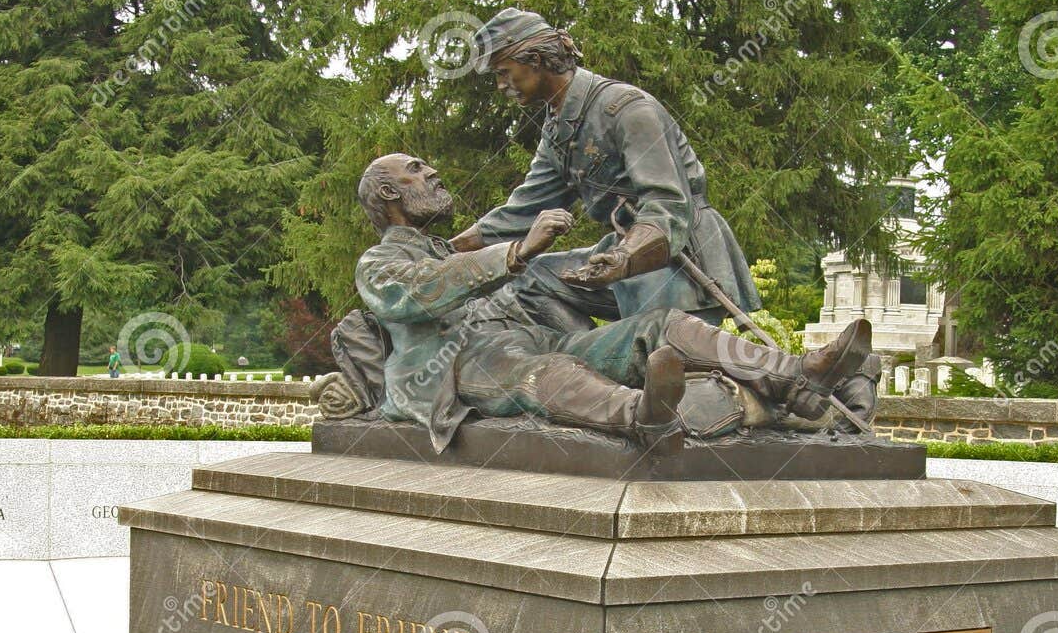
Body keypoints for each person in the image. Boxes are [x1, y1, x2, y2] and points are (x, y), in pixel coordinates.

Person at [351, 153, 870, 455]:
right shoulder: (378, 264)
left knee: (658, 326)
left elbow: (526, 281)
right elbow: (418, 291)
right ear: (387, 194)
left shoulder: (449, 252)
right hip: (452, 369)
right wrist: (514, 251)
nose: (434, 173)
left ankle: (795, 374)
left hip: (528, 340)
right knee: (546, 371)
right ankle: (641, 416)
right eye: (417, 171)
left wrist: (619, 252)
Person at [447, 8, 760, 329]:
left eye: (503, 71)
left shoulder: (627, 109)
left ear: (536, 61)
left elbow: (667, 206)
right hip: (621, 257)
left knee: (663, 362)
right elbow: (522, 212)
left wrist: (625, 258)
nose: (501, 85)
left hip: (677, 259)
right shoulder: (557, 131)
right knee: (532, 282)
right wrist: (446, 252)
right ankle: (591, 363)